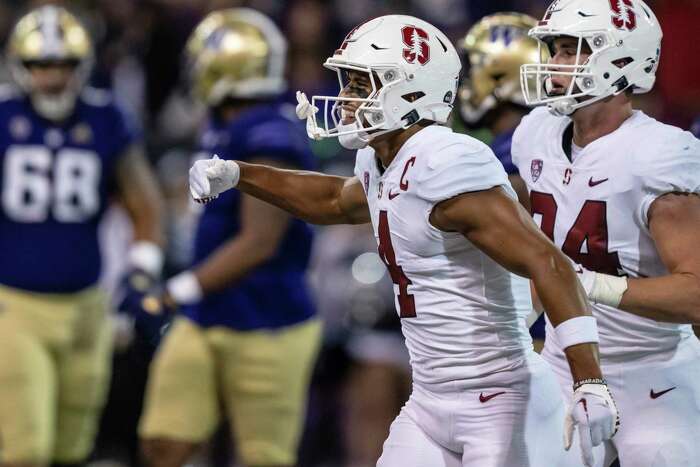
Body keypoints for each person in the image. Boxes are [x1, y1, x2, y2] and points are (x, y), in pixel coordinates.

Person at [190, 14, 619, 467]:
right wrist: (240, 174)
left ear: (410, 91)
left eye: (360, 85)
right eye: (348, 84)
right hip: (430, 398)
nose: (346, 100)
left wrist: (588, 380)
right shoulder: (383, 160)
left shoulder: (445, 164)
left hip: (499, 397)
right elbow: (334, 199)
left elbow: (549, 263)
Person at [513, 0, 700, 465]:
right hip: (562, 364)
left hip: (654, 374)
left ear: (621, 60)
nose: (555, 64)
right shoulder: (534, 133)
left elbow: (696, 294)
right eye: (554, 50)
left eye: (572, 50)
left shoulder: (658, 155)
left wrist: (589, 285)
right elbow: (534, 247)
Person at [137, 9, 321, 467]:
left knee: (262, 457)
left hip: (269, 320)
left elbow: (259, 242)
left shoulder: (268, 134)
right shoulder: (225, 121)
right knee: (164, 441)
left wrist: (177, 292)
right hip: (208, 313)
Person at [0, 6, 164, 467]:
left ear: (82, 66)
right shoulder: (2, 116)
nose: (53, 77)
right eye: (41, 65)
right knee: (25, 450)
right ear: (21, 66)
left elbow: (144, 203)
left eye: (63, 65)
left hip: (87, 308)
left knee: (72, 449)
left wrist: (141, 270)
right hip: (15, 306)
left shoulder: (105, 117)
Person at [456, 11, 548, 349]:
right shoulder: (546, 136)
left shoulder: (517, 150)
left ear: (499, 74)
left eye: (471, 71)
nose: (465, 84)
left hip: (539, 332)